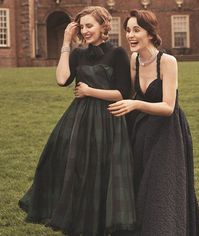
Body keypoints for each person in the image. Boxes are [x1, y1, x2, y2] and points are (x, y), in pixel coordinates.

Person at [19, 6, 136, 236]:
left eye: (89, 26)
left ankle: (102, 225)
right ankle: (79, 223)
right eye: (82, 27)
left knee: (103, 173)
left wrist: (91, 91)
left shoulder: (118, 53)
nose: (85, 30)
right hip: (80, 121)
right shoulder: (78, 54)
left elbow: (124, 93)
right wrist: (66, 43)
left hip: (109, 121)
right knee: (78, 172)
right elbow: (62, 79)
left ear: (104, 26)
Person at [108, 9, 199, 236]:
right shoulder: (133, 59)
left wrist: (136, 105)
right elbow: (126, 93)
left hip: (167, 134)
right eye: (128, 31)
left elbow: (168, 107)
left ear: (150, 33)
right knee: (140, 186)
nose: (130, 35)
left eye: (136, 30)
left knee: (162, 189)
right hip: (140, 132)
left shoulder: (167, 61)